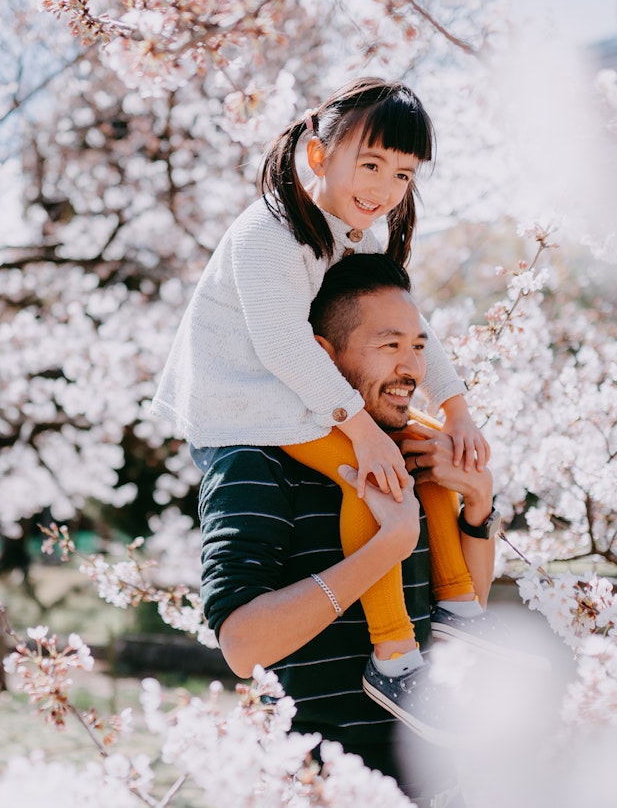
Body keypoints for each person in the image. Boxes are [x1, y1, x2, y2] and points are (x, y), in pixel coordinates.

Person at [149, 77, 493, 719]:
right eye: (370, 164)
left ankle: (459, 609)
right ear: (317, 155)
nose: (384, 189)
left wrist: (457, 411)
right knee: (378, 475)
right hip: (249, 406)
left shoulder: (361, 236)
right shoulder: (270, 232)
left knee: (422, 446)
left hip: (307, 397)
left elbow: (419, 330)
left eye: (402, 175)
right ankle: (395, 657)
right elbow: (282, 343)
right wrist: (363, 429)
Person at [199, 253, 498, 803]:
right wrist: (386, 548)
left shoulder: (406, 452)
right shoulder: (254, 463)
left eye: (418, 347)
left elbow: (458, 610)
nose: (411, 368)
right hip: (318, 784)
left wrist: (479, 508)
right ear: (321, 357)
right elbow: (242, 645)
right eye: (389, 346)